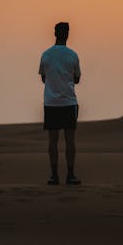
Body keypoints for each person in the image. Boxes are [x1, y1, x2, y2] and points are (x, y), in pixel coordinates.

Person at [39, 22, 82, 185]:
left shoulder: (46, 55)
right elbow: (77, 78)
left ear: (55, 33)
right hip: (68, 102)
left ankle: (54, 175)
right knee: (70, 140)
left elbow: (43, 77)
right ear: (67, 34)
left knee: (53, 140)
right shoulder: (72, 55)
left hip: (51, 102)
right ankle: (70, 175)